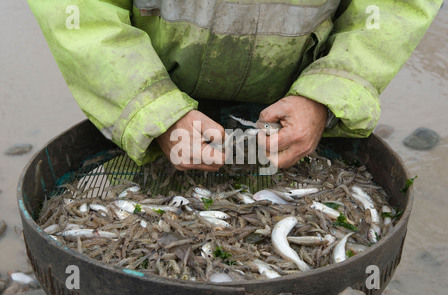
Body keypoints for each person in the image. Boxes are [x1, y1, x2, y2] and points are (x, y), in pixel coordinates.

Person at [28, 0, 442, 172]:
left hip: (297, 100)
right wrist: (152, 112)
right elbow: (79, 12)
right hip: (151, 91)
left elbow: (393, 8)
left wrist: (330, 91)